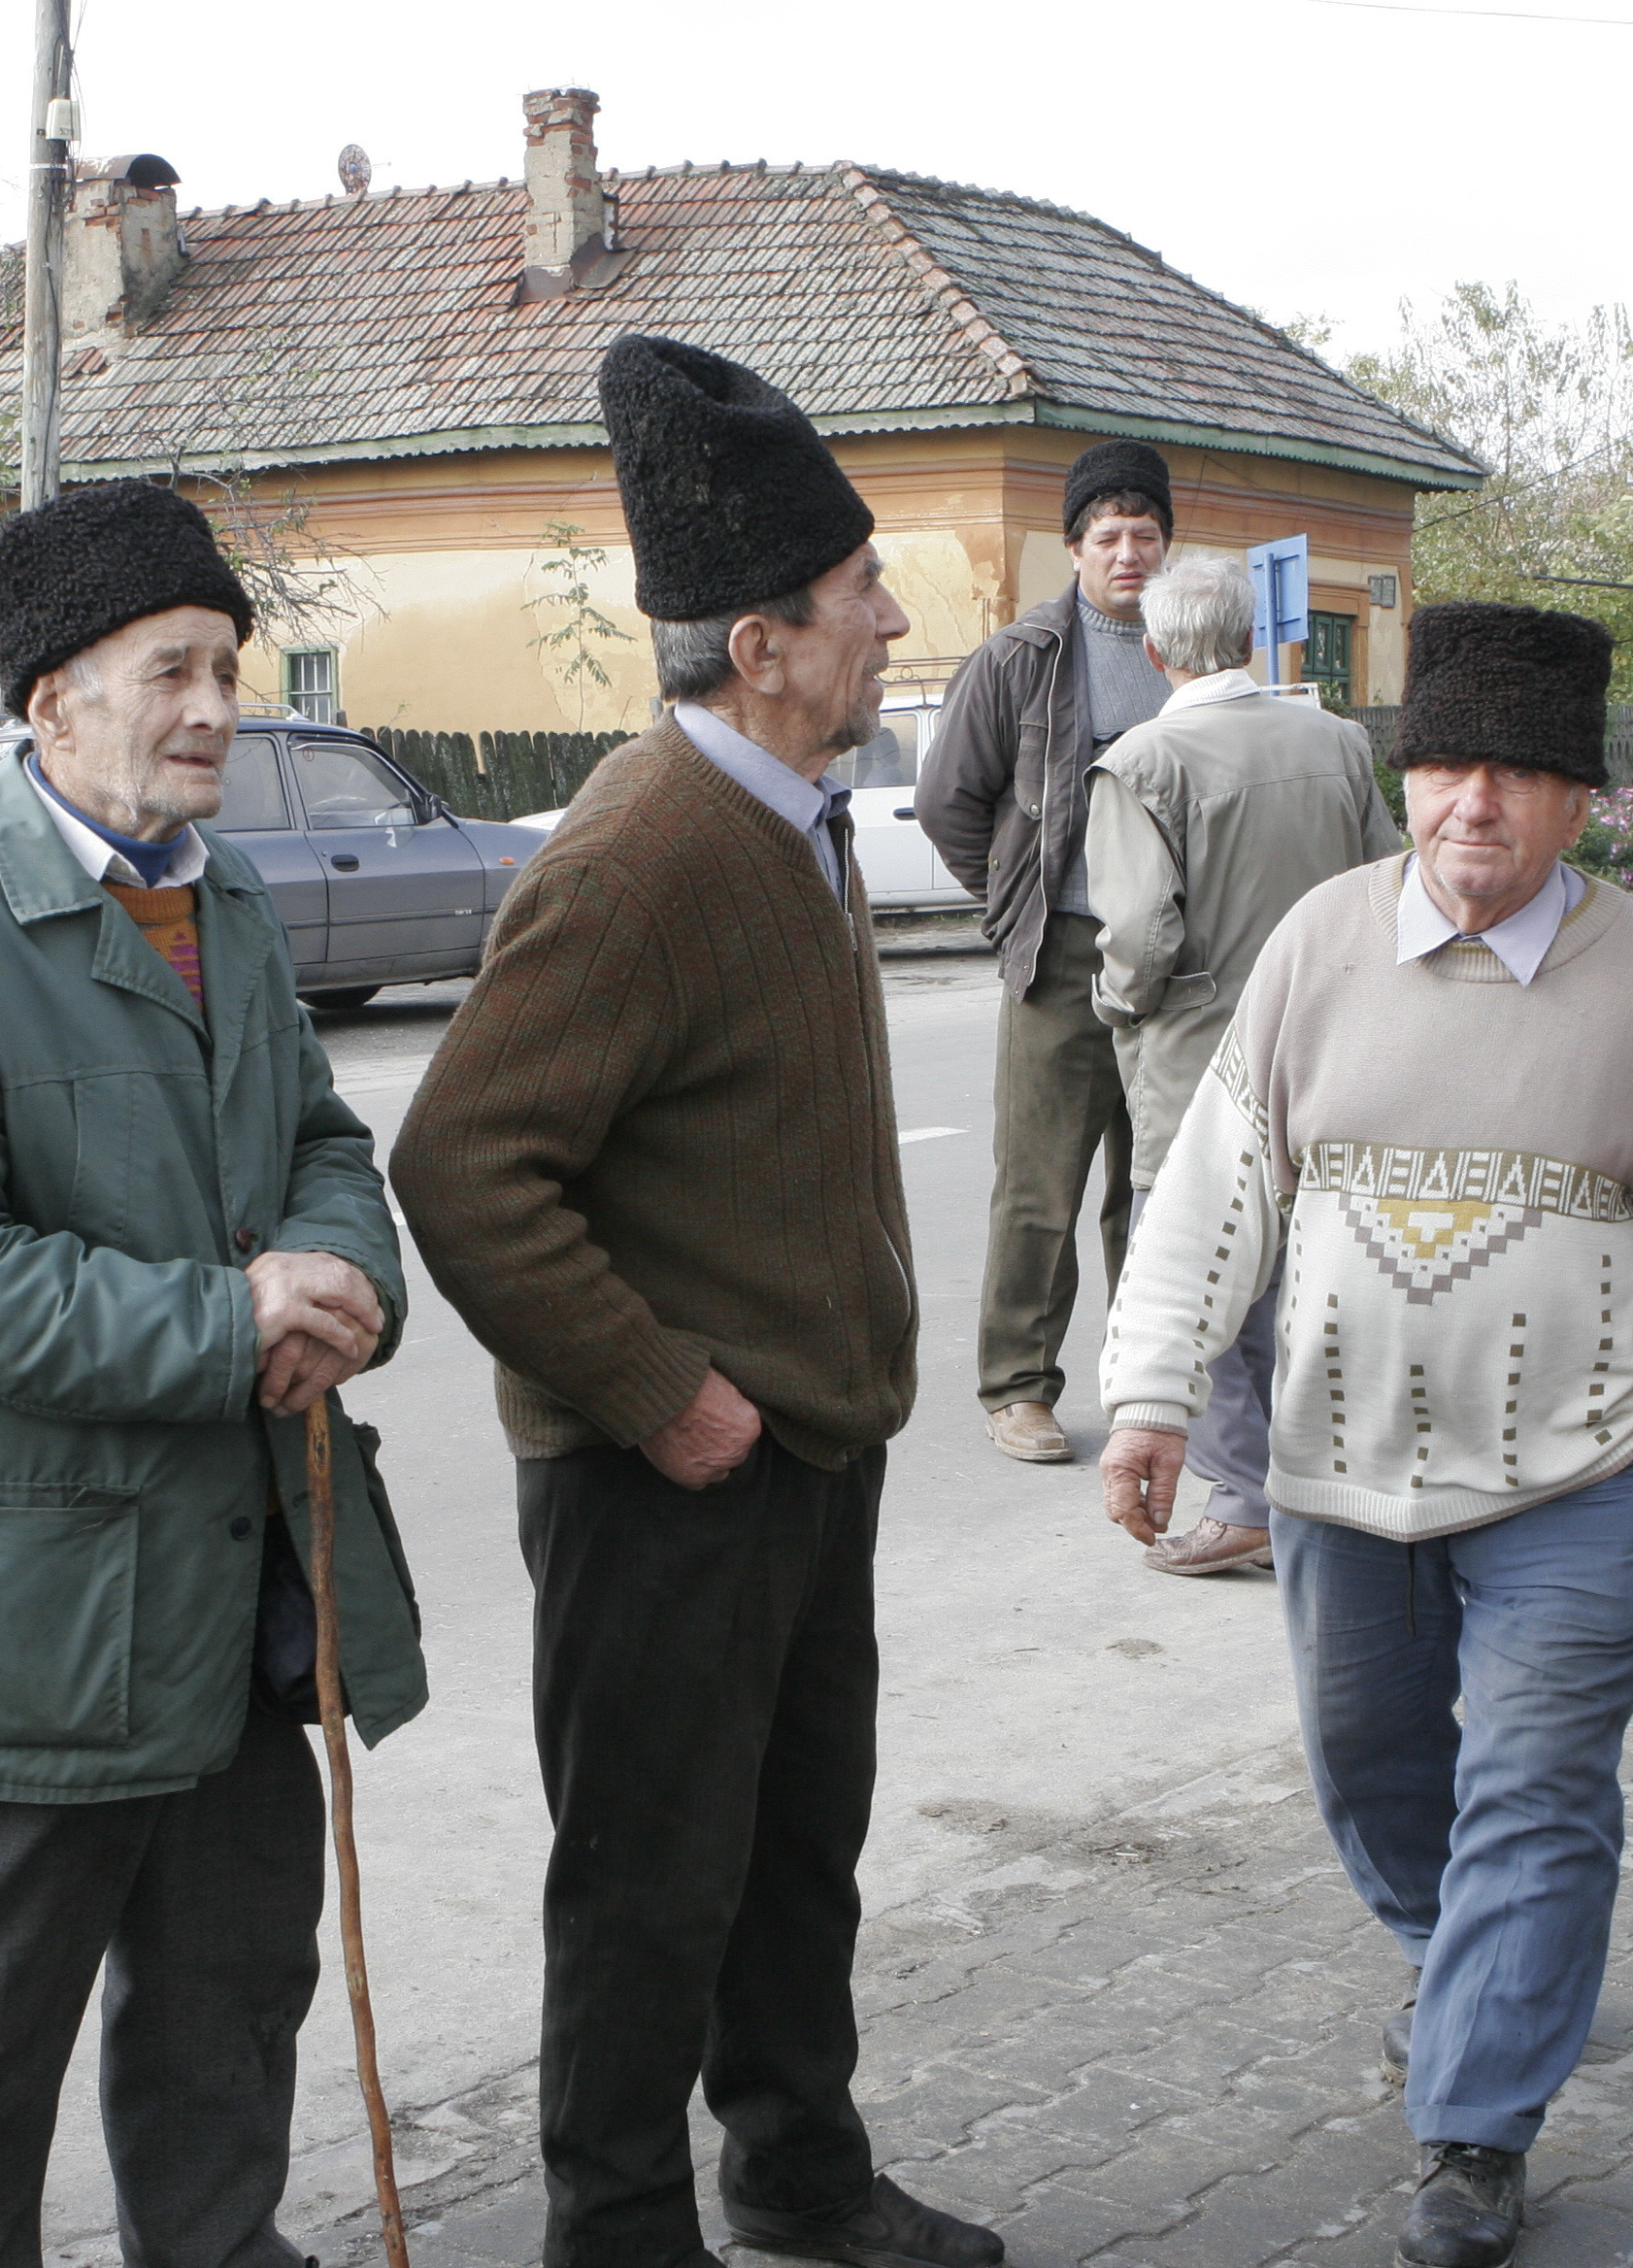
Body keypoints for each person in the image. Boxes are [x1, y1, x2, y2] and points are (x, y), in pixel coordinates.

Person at [1094, 601, 1633, 2268]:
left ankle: (1472, 2125)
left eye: (1515, 773)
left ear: (1576, 800)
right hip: (1339, 1473)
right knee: (1366, 1762)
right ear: (1405, 782)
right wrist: (1145, 1398)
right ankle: (1467, 1956)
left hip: (1589, 1477)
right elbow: (1210, 1196)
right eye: (1444, 768)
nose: (1472, 803)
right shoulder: (1315, 949)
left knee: (1536, 1789)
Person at [391, 335, 994, 2268]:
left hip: (804, 1454)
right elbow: (464, 1167)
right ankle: (621, 2233)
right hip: (672, 1480)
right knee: (651, 1886)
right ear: (759, 641)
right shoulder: (643, 851)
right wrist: (661, 1389)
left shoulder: (794, 812)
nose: (893, 619)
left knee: (791, 1857)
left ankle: (799, 2178)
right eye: (858, 594)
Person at [0, 480, 427, 2268]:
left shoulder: (217, 898)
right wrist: (233, 1326)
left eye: (226, 666)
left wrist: (342, 1273)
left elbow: (318, 1139)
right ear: (47, 700)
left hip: (240, 1587)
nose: (216, 709)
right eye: (172, 669)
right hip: (31, 1623)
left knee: (231, 2000)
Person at [1085, 554, 1400, 1578]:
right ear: (1256, 642)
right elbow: (1388, 882)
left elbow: (1136, 935)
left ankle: (1244, 1496)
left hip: (1202, 1045)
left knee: (1205, 1261)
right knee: (1316, 1261)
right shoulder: (1338, 743)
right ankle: (1328, 1476)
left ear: (1157, 649)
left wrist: (1118, 1002)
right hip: (1336, 1032)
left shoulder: (1142, 762)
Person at [916, 440, 1177, 1463]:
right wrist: (1013, 901)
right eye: (1107, 535)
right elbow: (948, 801)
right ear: (1073, 548)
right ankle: (1017, 1386)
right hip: (1060, 958)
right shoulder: (1023, 657)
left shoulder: (1194, 656)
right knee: (1040, 1185)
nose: (1127, 552)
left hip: (1171, 961)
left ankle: (1146, 1387)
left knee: (1153, 1189)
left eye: (1144, 534)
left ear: (1167, 544)